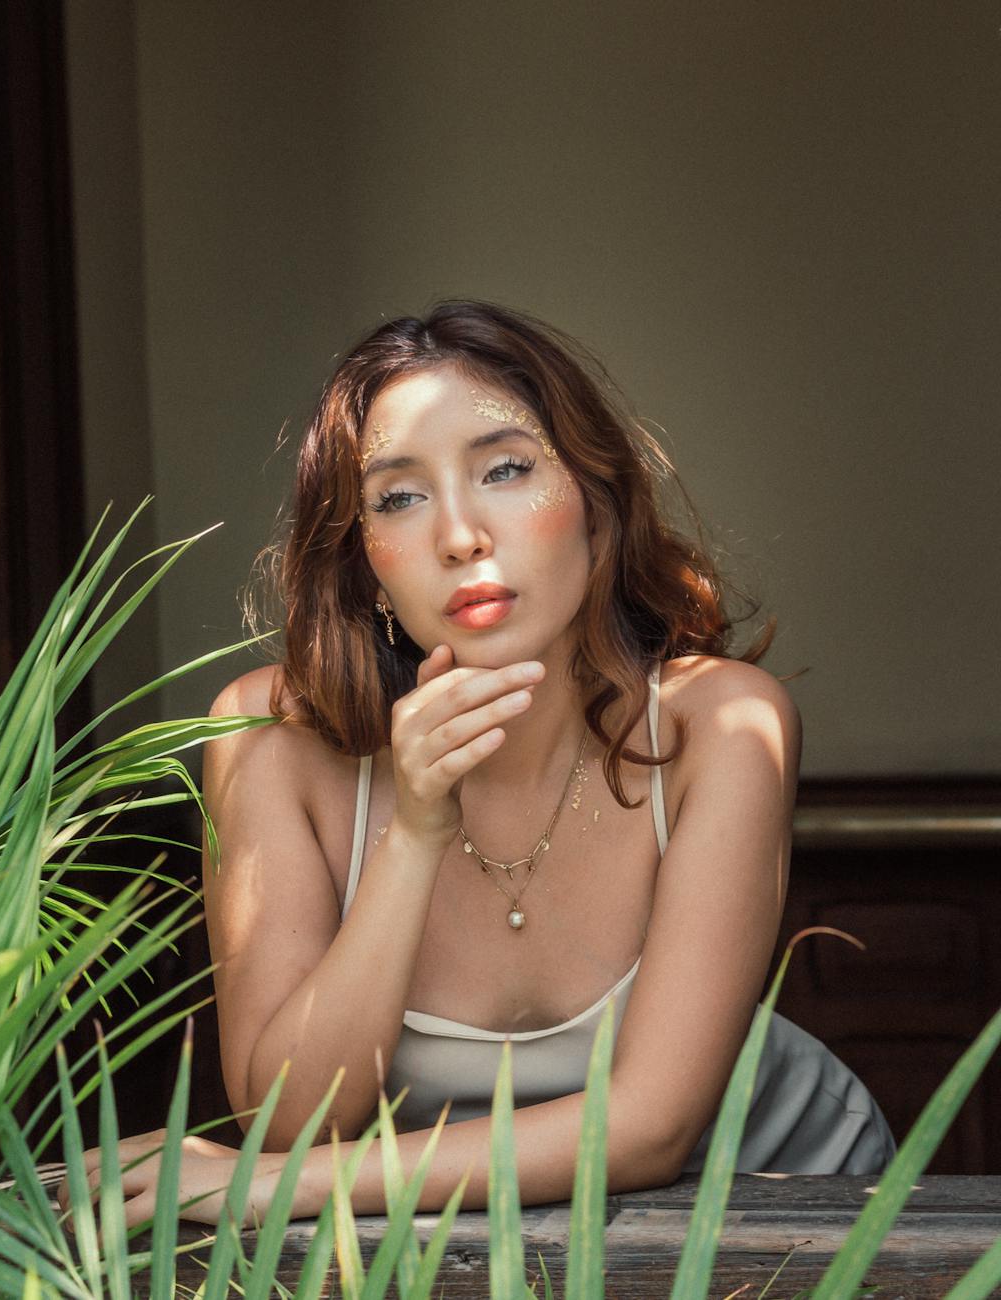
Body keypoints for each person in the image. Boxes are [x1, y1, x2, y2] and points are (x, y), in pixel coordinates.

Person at [61, 300, 895, 1228]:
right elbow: (286, 1123)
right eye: (400, 497)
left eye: (506, 469)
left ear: (595, 504)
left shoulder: (724, 725)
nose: (460, 535)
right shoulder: (267, 738)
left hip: (785, 1209)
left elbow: (649, 1127)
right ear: (365, 561)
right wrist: (415, 829)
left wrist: (279, 1187)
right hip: (457, 1246)